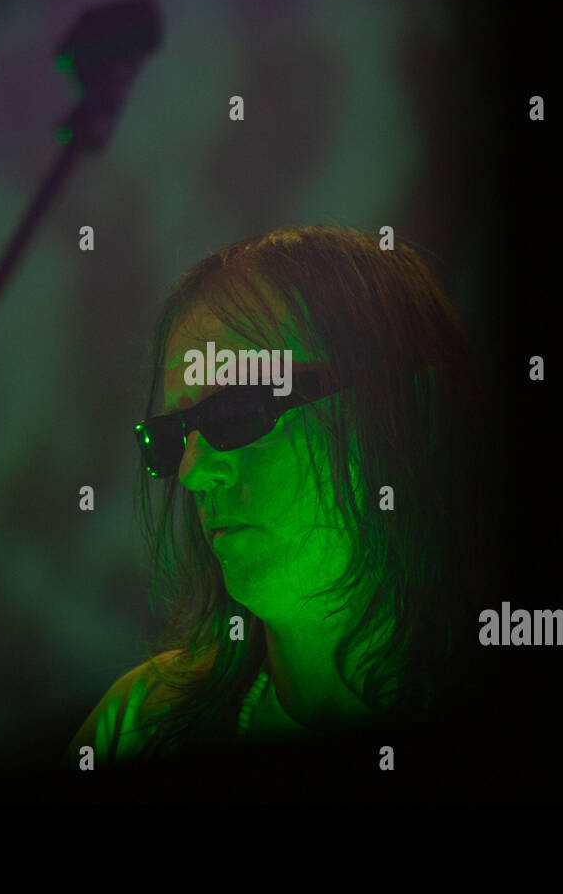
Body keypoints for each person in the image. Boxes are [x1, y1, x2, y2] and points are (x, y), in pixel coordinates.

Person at [64, 225, 484, 772]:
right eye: (170, 440)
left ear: (410, 411)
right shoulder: (138, 723)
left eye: (238, 412)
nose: (191, 474)